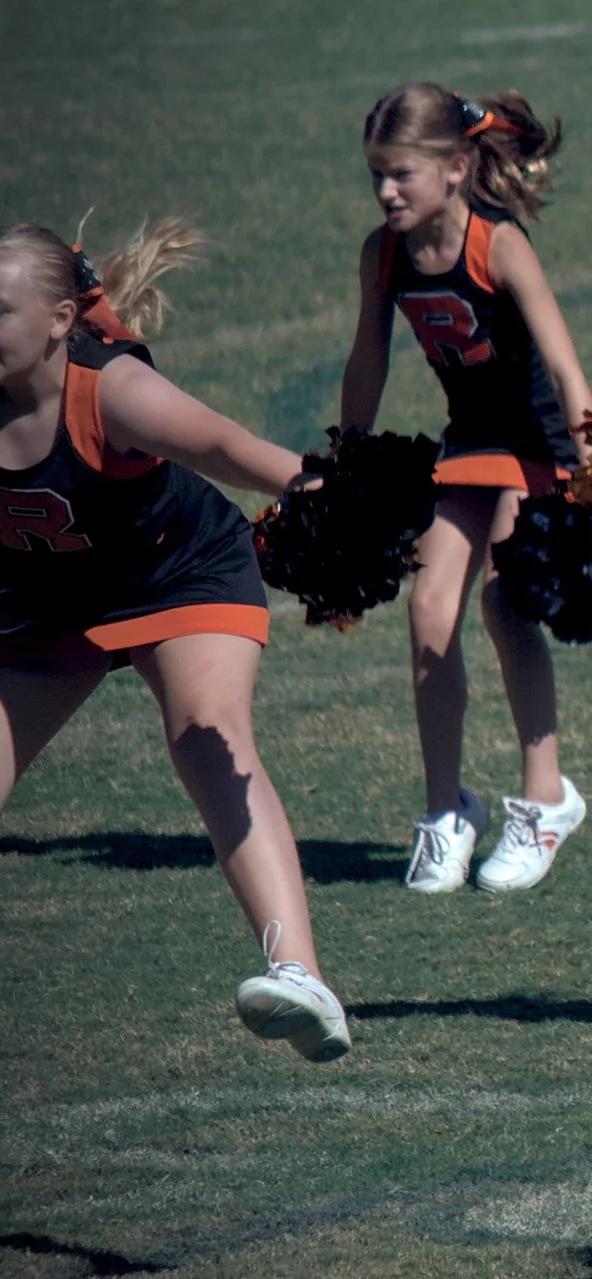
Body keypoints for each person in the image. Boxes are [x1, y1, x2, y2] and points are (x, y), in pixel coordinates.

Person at [0, 221, 349, 1059]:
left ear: (57, 320)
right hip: (52, 597)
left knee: (205, 737)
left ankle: (301, 975)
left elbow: (228, 446)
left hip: (178, 572)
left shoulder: (109, 390)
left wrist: (334, 495)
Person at [341, 83, 592, 894]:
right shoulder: (383, 254)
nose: (386, 191)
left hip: (541, 442)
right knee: (427, 607)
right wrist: (347, 461)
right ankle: (447, 810)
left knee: (504, 600)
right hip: (472, 441)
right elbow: (367, 359)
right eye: (378, 173)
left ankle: (546, 798)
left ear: (455, 168)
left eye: (402, 174)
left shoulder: (498, 244)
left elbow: (562, 364)